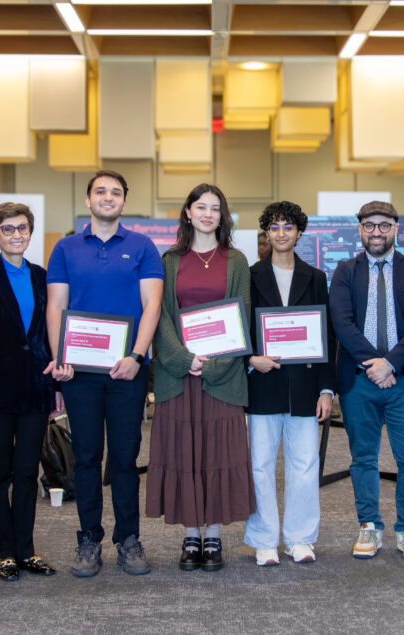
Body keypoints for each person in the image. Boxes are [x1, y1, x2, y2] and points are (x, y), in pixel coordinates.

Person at [45, 170, 164, 578]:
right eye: (101, 191)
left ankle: (128, 539)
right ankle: (89, 539)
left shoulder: (143, 246)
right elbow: (55, 306)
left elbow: (152, 306)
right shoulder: (65, 248)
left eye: (116, 192)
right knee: (86, 457)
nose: (108, 197)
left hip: (126, 372)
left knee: (125, 459)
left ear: (124, 202)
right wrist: (59, 356)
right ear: (88, 198)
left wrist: (136, 355)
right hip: (78, 371)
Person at [147, 183, 256, 572]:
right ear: (188, 212)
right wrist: (183, 359)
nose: (208, 214)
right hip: (179, 377)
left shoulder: (237, 260)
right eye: (201, 207)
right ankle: (190, 534)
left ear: (222, 216)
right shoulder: (169, 260)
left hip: (221, 379)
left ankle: (213, 535)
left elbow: (241, 317)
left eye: (215, 208)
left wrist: (212, 365)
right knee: (184, 453)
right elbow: (159, 315)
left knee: (217, 453)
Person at [330, 201, 404, 561]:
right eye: (370, 226)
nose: (377, 232)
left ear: (395, 228)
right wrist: (373, 364)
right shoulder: (345, 271)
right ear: (360, 229)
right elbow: (342, 324)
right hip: (359, 381)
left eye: (384, 226)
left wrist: (390, 363)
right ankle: (369, 527)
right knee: (363, 458)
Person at [245, 201, 336, 566]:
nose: (281, 233)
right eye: (274, 227)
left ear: (299, 233)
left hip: (305, 386)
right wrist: (250, 358)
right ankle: (264, 539)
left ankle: (300, 538)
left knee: (304, 463)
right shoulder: (250, 276)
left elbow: (327, 335)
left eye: (288, 227)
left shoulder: (315, 278)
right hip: (262, 382)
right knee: (260, 464)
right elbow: (240, 327)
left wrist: (327, 389)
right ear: (266, 233)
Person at [0, 202, 62, 581]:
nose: (16, 235)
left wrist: (56, 385)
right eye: (8, 229)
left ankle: (25, 550)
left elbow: (52, 333)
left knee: (27, 472)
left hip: (37, 387)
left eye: (22, 228)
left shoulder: (43, 277)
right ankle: (2, 552)